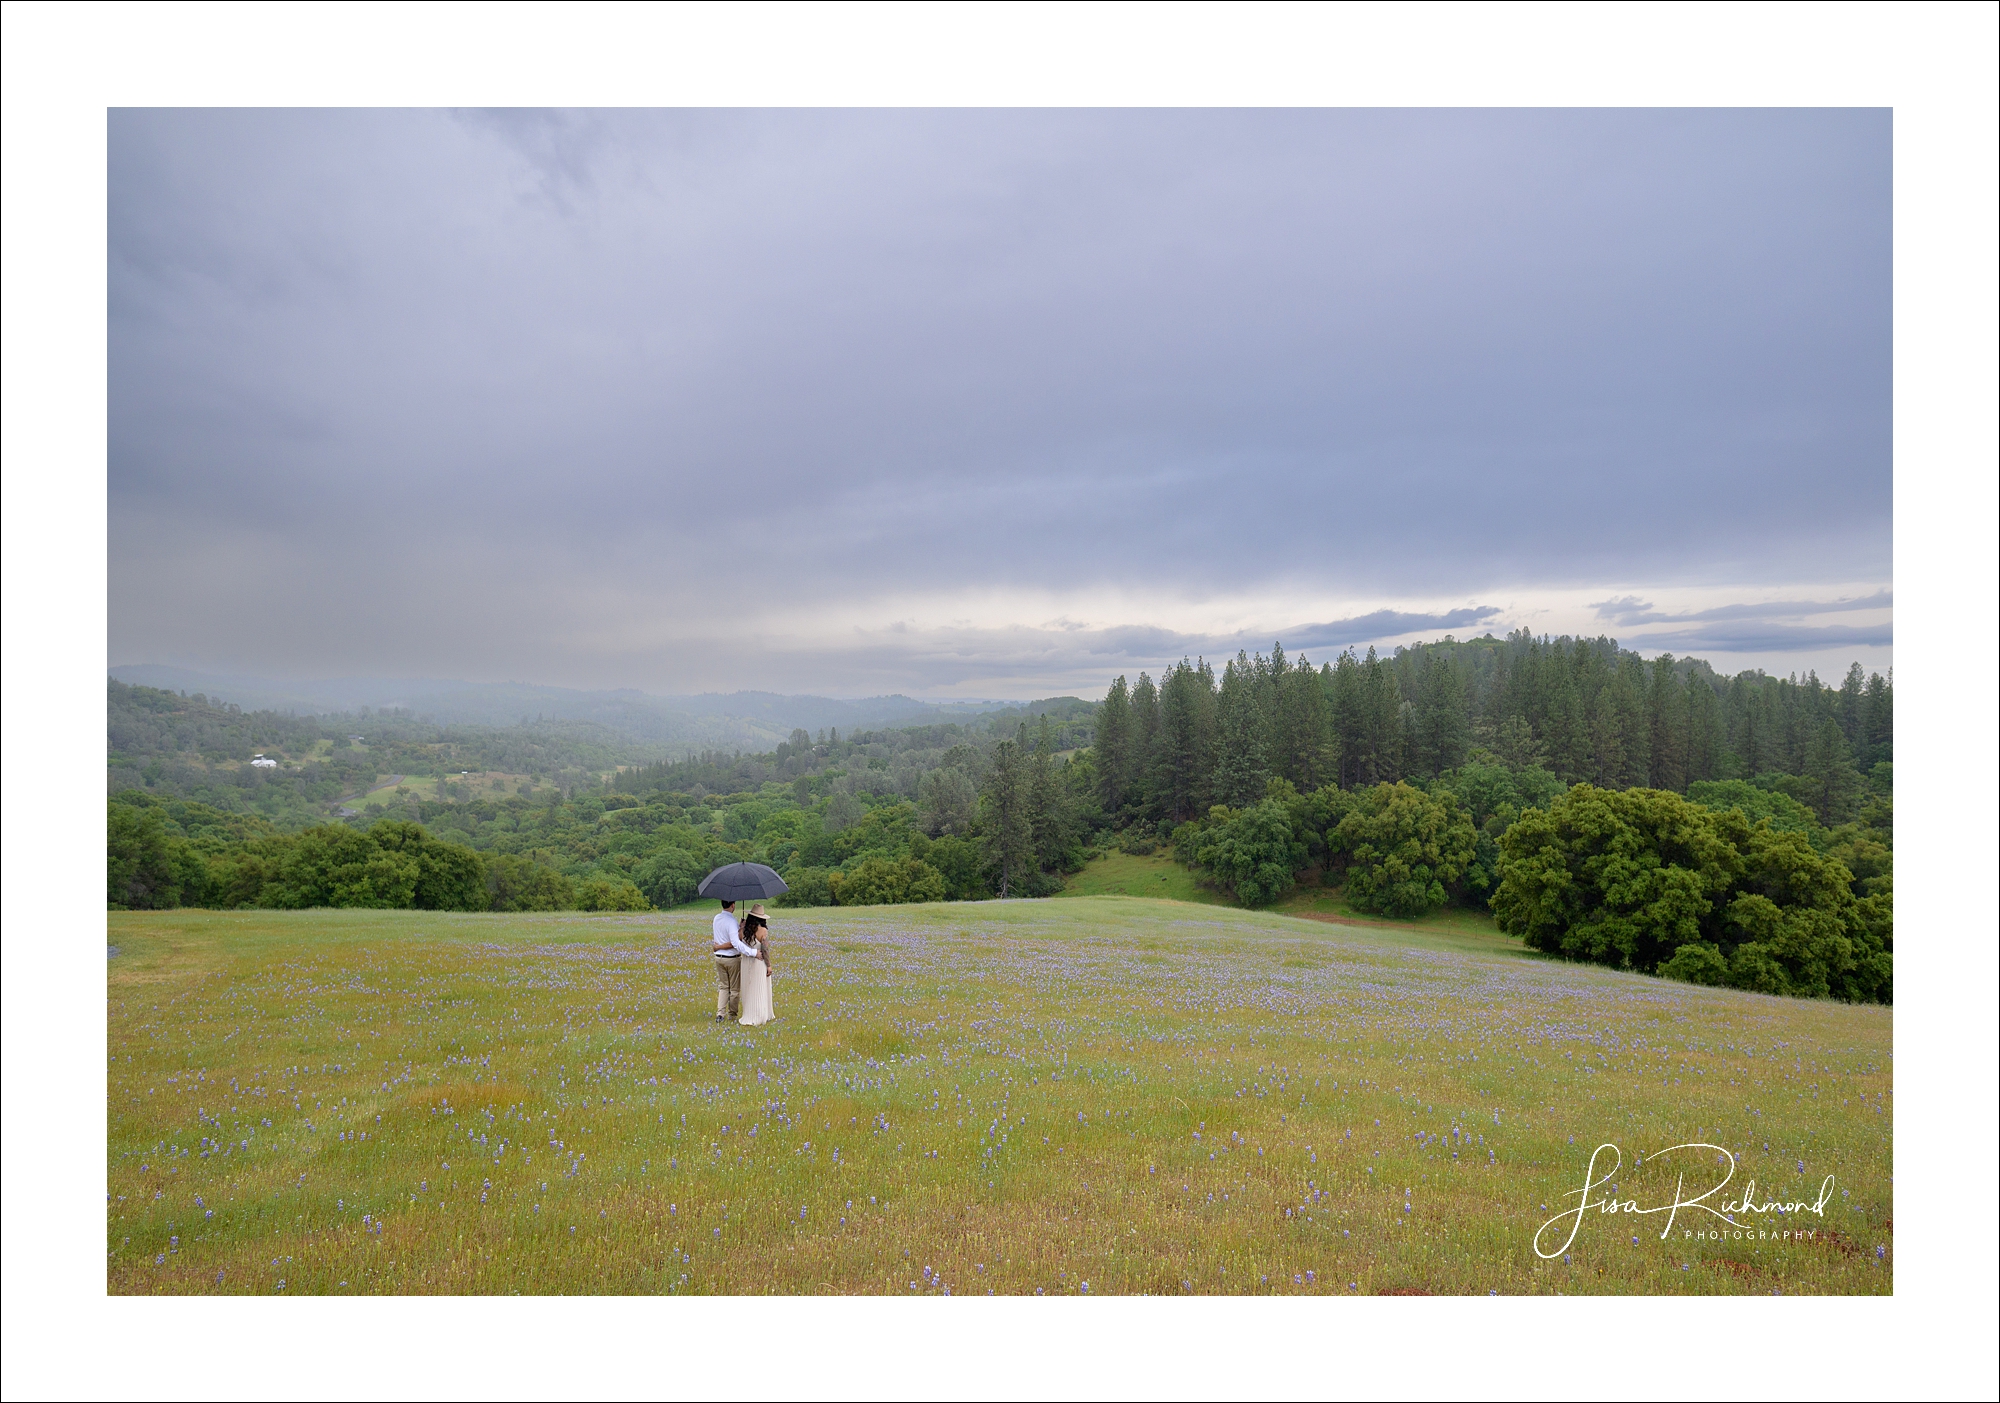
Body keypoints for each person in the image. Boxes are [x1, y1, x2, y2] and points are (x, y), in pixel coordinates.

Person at [711, 899, 760, 1021]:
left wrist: (740, 928)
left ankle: (720, 1014)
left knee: (723, 987)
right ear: (733, 905)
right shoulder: (731, 921)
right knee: (734, 989)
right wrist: (753, 952)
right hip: (732, 959)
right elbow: (736, 943)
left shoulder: (717, 918)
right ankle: (732, 1015)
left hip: (719, 958)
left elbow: (726, 937)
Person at [737, 904, 775, 1027]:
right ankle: (759, 1015)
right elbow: (765, 949)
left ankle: (748, 1013)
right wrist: (769, 965)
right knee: (759, 988)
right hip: (758, 963)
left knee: (748, 988)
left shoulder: (744, 930)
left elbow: (739, 941)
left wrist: (741, 926)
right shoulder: (763, 931)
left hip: (746, 962)